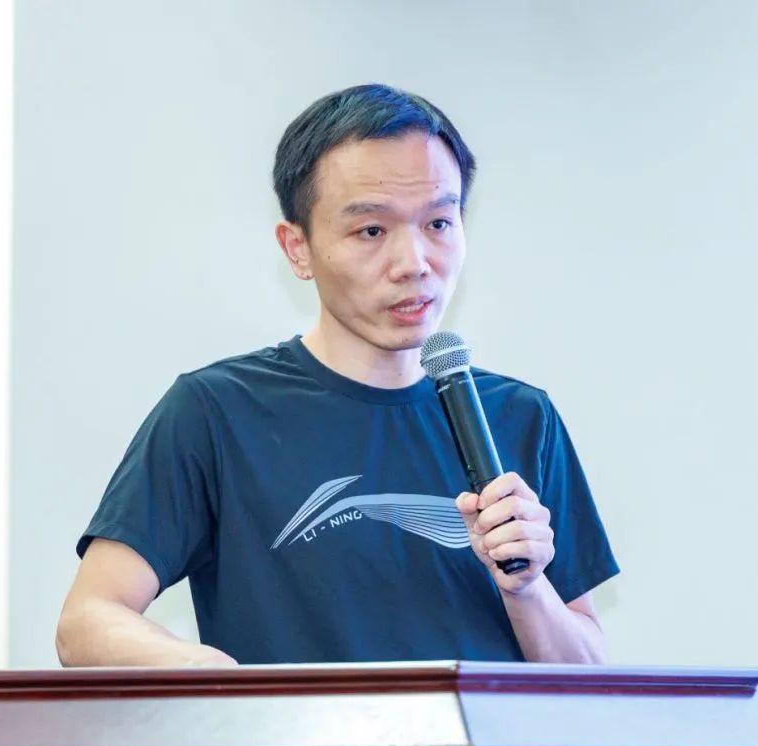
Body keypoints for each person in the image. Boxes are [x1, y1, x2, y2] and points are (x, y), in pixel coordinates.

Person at [56, 84, 619, 667]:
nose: (414, 264)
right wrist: (216, 678)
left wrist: (526, 589)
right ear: (297, 248)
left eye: (438, 223)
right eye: (371, 231)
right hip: (294, 732)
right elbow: (87, 622)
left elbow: (585, 673)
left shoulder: (520, 417)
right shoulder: (218, 411)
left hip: (478, 733)